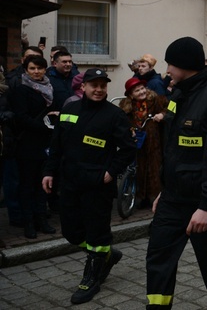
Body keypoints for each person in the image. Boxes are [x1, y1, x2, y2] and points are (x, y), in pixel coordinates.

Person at [146, 37, 207, 310]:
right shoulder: (179, 94)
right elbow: (175, 149)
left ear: (185, 64)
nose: (167, 70)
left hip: (204, 202)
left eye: (170, 64)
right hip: (173, 199)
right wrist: (165, 190)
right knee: (159, 260)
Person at [42, 68, 136, 305]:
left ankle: (91, 279)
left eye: (103, 85)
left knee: (97, 233)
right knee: (71, 232)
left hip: (97, 185)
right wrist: (49, 171)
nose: (99, 89)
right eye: (94, 85)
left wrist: (110, 172)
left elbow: (128, 149)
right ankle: (106, 254)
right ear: (83, 87)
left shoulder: (115, 116)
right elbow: (57, 144)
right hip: (70, 181)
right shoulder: (69, 110)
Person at [9, 55, 56, 239]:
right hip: (27, 144)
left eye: (40, 68)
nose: (36, 72)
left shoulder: (49, 88)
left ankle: (41, 219)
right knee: (27, 185)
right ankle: (29, 223)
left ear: (45, 69)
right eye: (32, 68)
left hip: (46, 144)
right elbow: (21, 118)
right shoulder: (21, 90)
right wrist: (45, 127)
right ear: (26, 70)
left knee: (43, 184)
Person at [119, 78, 167, 209]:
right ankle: (139, 196)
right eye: (137, 90)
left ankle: (155, 196)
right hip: (137, 141)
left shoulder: (156, 100)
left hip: (154, 141)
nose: (141, 92)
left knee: (155, 167)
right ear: (130, 94)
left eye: (142, 88)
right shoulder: (126, 106)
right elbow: (122, 121)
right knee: (139, 168)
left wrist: (162, 115)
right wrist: (130, 130)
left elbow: (169, 109)